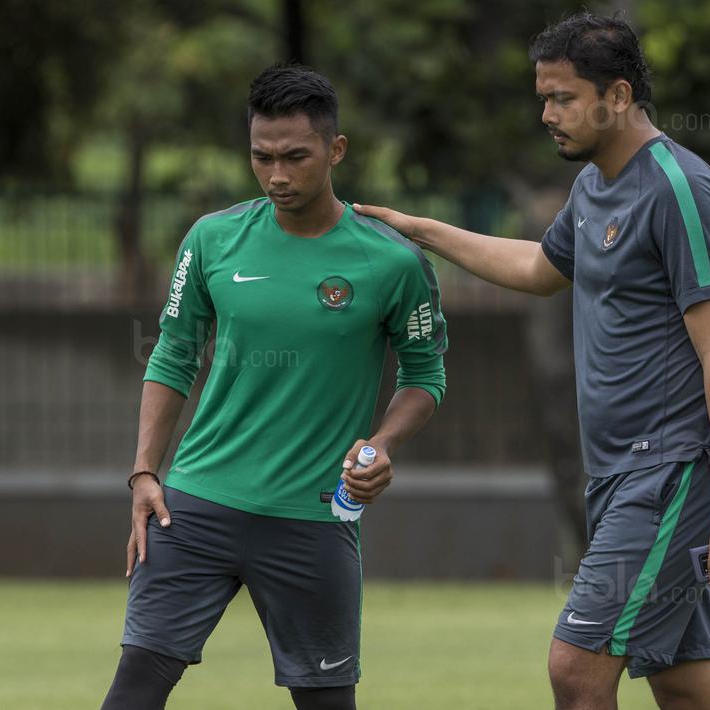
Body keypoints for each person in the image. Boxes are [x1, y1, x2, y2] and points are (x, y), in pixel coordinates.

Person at [355, 12, 710, 710]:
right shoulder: (592, 188)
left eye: (562, 97)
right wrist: (418, 230)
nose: (546, 114)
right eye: (542, 97)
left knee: (575, 670)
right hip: (615, 478)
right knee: (686, 688)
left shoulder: (678, 189)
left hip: (667, 477)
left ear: (619, 97)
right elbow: (541, 268)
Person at [100, 64, 448, 710]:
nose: (277, 176)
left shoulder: (393, 262)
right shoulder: (212, 239)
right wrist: (145, 473)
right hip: (194, 506)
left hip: (312, 517)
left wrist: (382, 442)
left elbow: (425, 374)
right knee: (133, 693)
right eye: (262, 158)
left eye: (295, 157)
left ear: (335, 150)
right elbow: (172, 356)